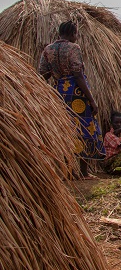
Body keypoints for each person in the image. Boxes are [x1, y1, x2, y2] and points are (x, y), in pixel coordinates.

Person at [39, 20, 105, 178]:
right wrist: (91, 100)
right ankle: (83, 172)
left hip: (59, 93)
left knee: (65, 130)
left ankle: (67, 171)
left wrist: (57, 76)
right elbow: (78, 74)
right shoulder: (73, 48)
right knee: (84, 129)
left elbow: (43, 74)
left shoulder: (48, 50)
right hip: (76, 93)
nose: (76, 36)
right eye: (76, 33)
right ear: (71, 33)